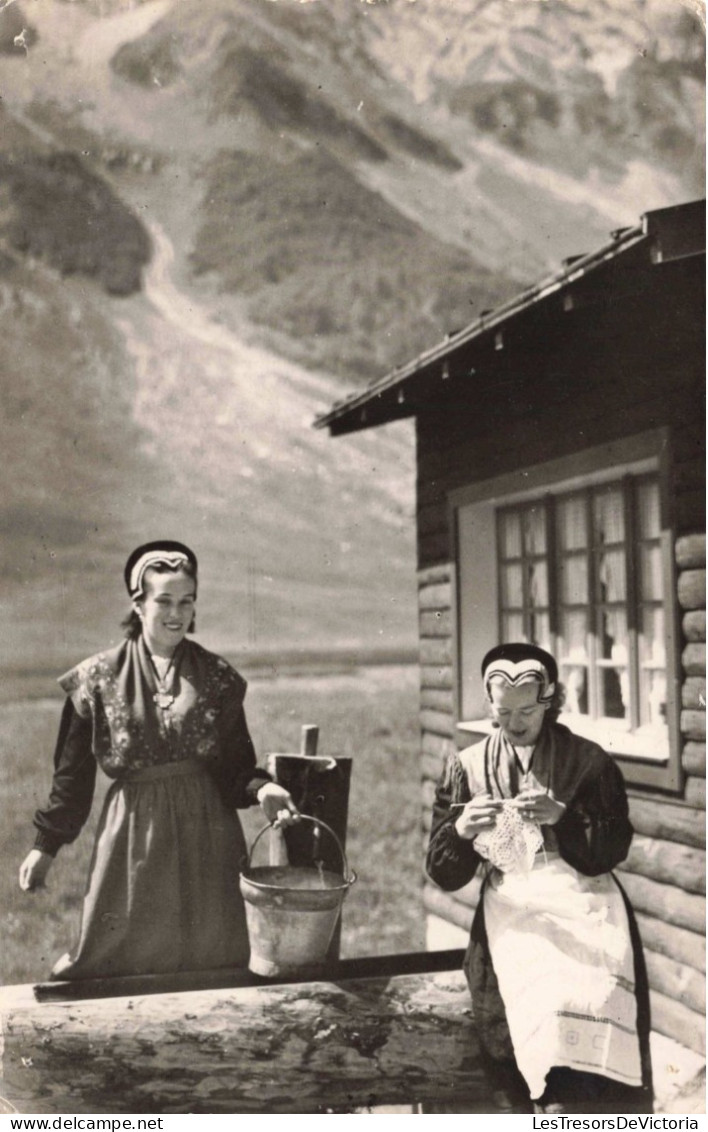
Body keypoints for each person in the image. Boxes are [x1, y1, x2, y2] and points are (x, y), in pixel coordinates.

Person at [19, 540, 300, 980]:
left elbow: (235, 766)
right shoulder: (97, 678)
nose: (177, 614)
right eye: (164, 601)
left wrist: (262, 787)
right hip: (134, 833)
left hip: (207, 827)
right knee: (124, 956)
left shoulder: (216, 676)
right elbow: (72, 777)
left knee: (213, 955)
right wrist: (45, 847)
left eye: (186, 602)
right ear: (138, 603)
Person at [425, 642, 653, 1115]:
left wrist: (562, 817)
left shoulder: (588, 761)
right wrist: (463, 831)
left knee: (594, 983)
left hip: (583, 891)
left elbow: (611, 850)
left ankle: (593, 1110)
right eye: (504, 711)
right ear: (491, 706)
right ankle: (543, 1106)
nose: (514, 722)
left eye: (526, 710)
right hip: (512, 899)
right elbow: (443, 872)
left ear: (549, 702)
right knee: (529, 995)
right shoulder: (467, 766)